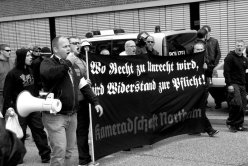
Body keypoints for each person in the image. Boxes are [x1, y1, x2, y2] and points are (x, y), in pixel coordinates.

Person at [40, 36, 103, 166]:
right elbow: (50, 74)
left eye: (69, 46)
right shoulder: (48, 62)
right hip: (55, 116)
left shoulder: (72, 65)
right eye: (65, 46)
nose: (69, 48)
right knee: (59, 152)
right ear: (55, 49)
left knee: (69, 151)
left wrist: (95, 102)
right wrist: (67, 63)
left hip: (72, 114)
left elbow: (83, 85)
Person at [2, 48, 51, 164]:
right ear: (21, 58)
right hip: (19, 108)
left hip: (32, 106)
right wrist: (8, 108)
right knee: (20, 133)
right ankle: (17, 157)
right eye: (28, 56)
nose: (31, 57)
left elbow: (34, 87)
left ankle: (46, 155)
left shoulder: (30, 70)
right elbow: (7, 93)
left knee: (39, 130)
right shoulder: (12, 74)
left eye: (30, 56)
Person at [188, 42, 219, 137]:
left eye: (201, 49)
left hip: (203, 89)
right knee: (196, 109)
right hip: (193, 89)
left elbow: (211, 73)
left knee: (200, 109)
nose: (199, 51)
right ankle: (203, 129)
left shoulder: (207, 60)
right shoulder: (189, 61)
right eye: (197, 49)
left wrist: (207, 68)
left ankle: (203, 129)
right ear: (194, 50)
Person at [224, 40, 248, 132]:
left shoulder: (244, 59)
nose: (239, 47)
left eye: (241, 46)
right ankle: (230, 123)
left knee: (243, 106)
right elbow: (226, 72)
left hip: (242, 85)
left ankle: (239, 125)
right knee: (237, 104)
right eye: (238, 45)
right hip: (233, 84)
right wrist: (229, 85)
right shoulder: (230, 57)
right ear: (235, 46)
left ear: (244, 47)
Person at [202, 25, 222, 109]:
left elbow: (219, 53)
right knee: (205, 86)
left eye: (206, 31)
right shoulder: (200, 42)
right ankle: (204, 103)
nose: (205, 33)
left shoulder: (214, 41)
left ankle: (218, 102)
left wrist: (215, 64)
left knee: (214, 87)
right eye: (204, 32)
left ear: (209, 32)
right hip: (204, 67)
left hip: (212, 67)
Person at [0, 44, 14, 112]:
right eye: (7, 50)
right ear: (1, 51)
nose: (10, 52)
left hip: (11, 94)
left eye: (10, 50)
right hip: (1, 95)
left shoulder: (11, 62)